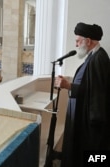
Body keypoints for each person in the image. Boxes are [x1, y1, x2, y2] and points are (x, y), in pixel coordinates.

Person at [55, 22, 110, 166]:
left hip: (92, 127)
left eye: (78, 41)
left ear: (89, 41)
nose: (76, 44)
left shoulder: (99, 59)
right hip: (85, 122)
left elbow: (97, 94)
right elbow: (89, 87)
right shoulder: (94, 56)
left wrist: (69, 86)